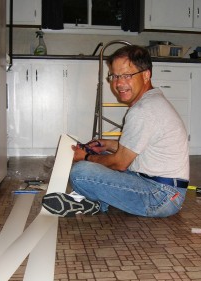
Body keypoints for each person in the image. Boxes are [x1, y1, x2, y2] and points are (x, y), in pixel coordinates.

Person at [42, 45, 189, 218]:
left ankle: (94, 202)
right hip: (165, 190)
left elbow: (120, 163)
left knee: (81, 173)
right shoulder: (152, 100)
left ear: (146, 75)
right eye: (115, 76)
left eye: (127, 75)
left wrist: (86, 157)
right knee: (103, 155)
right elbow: (143, 147)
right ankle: (93, 202)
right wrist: (108, 144)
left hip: (160, 197)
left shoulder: (144, 110)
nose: (118, 83)